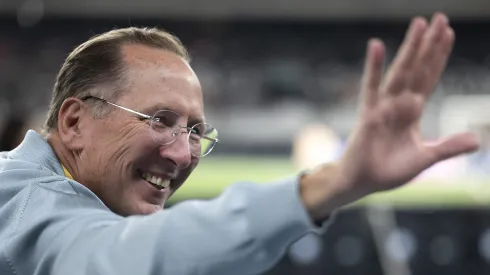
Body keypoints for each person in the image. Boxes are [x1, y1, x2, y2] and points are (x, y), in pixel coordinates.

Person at [0, 12, 479, 275]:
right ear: (75, 122)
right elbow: (130, 257)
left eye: (194, 130)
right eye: (160, 120)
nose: (183, 153)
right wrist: (330, 183)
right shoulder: (24, 205)